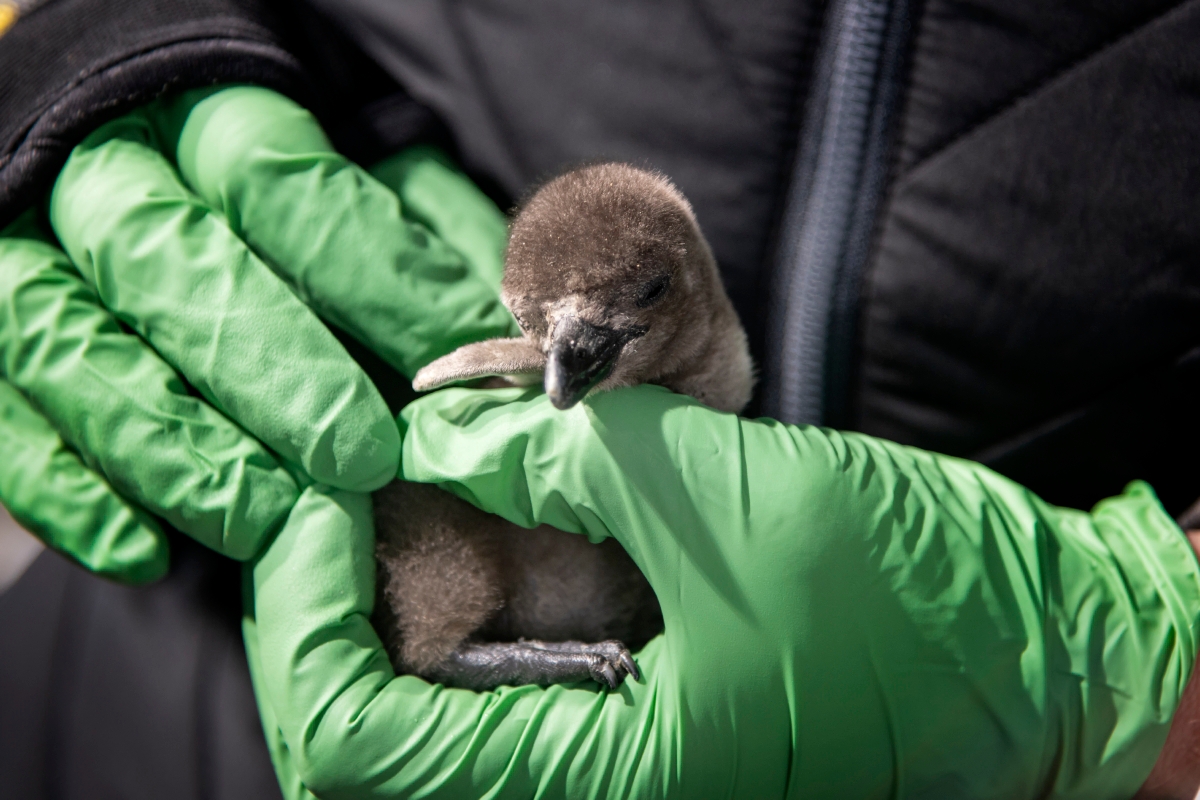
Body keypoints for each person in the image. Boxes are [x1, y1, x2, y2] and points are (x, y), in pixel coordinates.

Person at [1, 1, 1198, 798]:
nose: (565, 372)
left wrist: (1136, 644)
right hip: (158, 701)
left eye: (610, 324)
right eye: (552, 341)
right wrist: (96, 55)